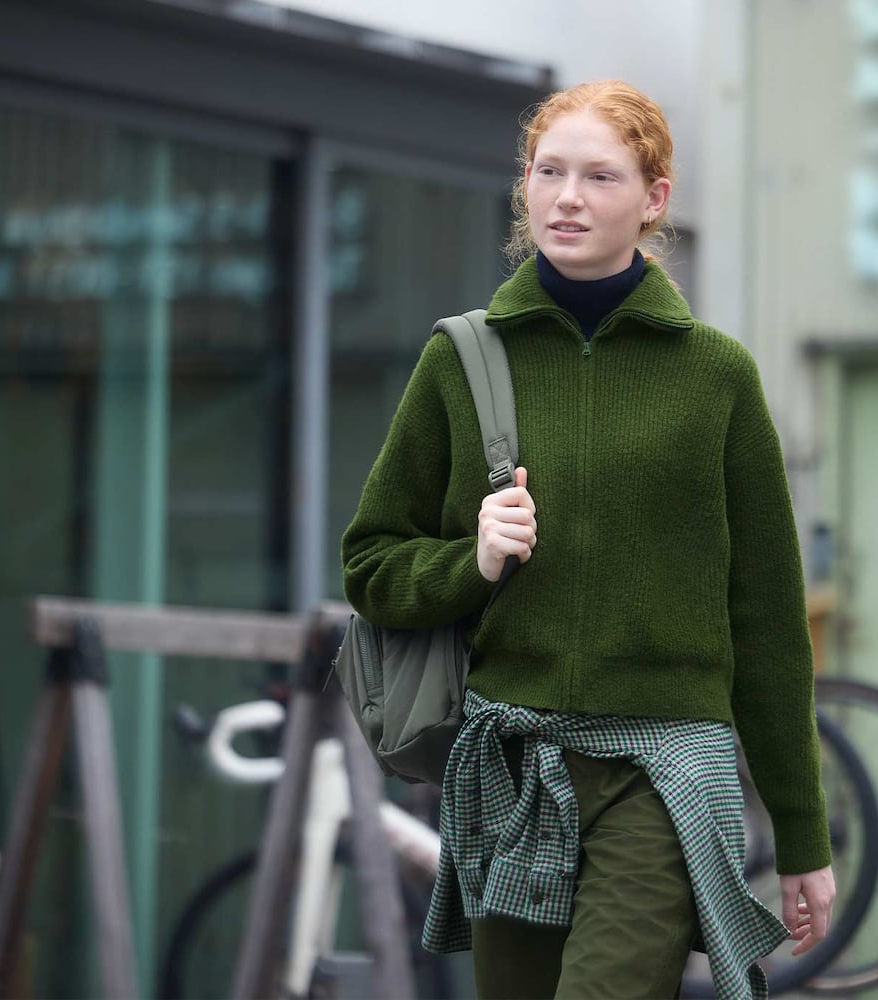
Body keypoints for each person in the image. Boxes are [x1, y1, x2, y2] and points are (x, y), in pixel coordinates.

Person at [341, 79, 834, 1000]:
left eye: (600, 176)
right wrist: (471, 560)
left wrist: (802, 839)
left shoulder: (717, 378)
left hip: (662, 767)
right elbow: (371, 564)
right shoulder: (462, 358)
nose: (567, 197)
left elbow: (767, 625)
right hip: (511, 766)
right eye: (548, 171)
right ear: (524, 186)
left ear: (653, 199)